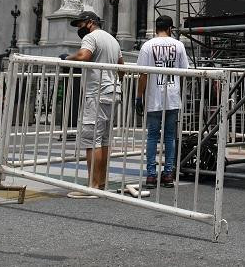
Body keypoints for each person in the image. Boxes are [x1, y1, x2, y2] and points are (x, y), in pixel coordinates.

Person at [64, 10, 123, 198]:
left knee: (92, 140)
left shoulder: (91, 37)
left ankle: (93, 185)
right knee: (104, 141)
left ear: (90, 22)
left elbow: (84, 56)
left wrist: (66, 58)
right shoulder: (113, 40)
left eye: (80, 25)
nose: (79, 29)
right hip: (113, 91)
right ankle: (102, 184)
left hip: (96, 93)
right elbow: (122, 68)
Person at [135, 15, 190, 189]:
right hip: (172, 96)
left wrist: (139, 96)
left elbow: (142, 74)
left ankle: (151, 175)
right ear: (170, 28)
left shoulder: (147, 46)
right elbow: (185, 72)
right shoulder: (179, 45)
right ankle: (168, 174)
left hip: (153, 97)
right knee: (169, 137)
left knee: (152, 136)